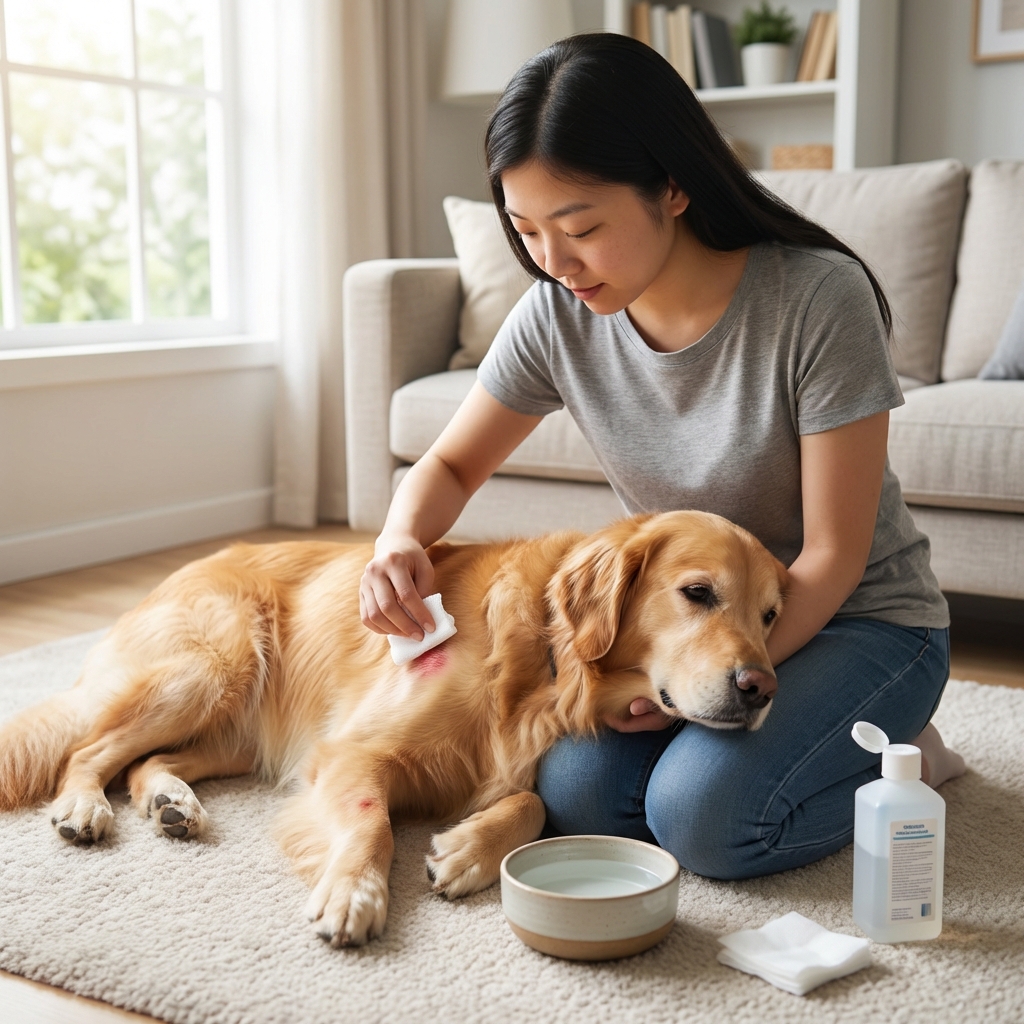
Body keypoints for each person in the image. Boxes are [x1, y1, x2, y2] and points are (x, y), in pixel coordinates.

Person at [358, 33, 964, 880]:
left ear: (672, 186)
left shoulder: (817, 297)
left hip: (860, 619)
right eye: (527, 232)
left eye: (581, 229)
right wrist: (398, 543)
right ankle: (790, 746)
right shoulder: (559, 316)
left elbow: (832, 556)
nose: (556, 264)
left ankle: (911, 761)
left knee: (702, 823)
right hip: (688, 627)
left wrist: (699, 684)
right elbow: (451, 468)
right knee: (577, 795)